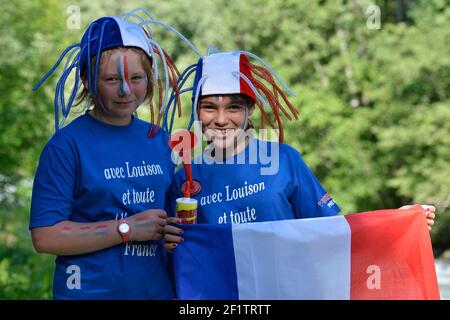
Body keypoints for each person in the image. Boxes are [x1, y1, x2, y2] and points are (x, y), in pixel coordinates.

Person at [163, 50, 435, 250]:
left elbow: (332, 228)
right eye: (209, 107)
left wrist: (397, 221)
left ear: (251, 110)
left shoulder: (284, 159)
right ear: (196, 110)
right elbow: (177, 252)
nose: (221, 119)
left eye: (234, 107)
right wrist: (169, 242)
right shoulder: (184, 177)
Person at [29, 9, 199, 299]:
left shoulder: (160, 139)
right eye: (111, 80)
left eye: (136, 78)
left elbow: (170, 219)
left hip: (157, 293)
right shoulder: (66, 146)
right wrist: (126, 228)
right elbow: (46, 236)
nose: (125, 90)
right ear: (86, 80)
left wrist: (175, 232)